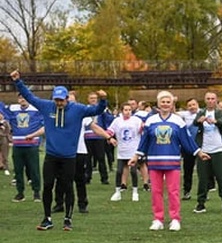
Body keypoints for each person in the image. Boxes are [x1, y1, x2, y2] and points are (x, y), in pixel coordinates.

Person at [10, 71, 108, 231]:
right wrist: (18, 81)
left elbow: (97, 110)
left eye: (61, 100)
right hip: (51, 155)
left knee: (68, 186)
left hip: (69, 157)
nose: (59, 103)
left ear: (67, 99)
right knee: (48, 186)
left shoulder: (78, 109)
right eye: (56, 100)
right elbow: (30, 97)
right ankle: (47, 218)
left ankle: (67, 219)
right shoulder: (47, 106)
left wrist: (103, 99)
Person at [130, 91, 208, 231]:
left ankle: (175, 219)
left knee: (173, 191)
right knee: (156, 191)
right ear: (158, 104)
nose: (165, 104)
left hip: (172, 162)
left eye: (168, 102)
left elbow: (187, 140)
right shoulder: (151, 120)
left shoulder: (178, 121)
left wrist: (199, 152)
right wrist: (136, 156)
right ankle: (158, 219)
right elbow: (144, 141)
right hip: (154, 162)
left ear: (172, 104)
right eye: (162, 102)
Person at [0, 93, 44, 202]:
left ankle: (36, 192)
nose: (22, 99)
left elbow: (45, 120)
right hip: (18, 145)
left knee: (34, 170)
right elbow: (2, 109)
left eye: (24, 97)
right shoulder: (12, 109)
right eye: (20, 97)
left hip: (32, 145)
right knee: (18, 171)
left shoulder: (37, 109)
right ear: (18, 99)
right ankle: (20, 193)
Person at [193, 91, 222, 214]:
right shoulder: (201, 112)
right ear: (205, 100)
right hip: (203, 149)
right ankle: (201, 203)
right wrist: (199, 120)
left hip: (218, 149)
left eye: (212, 98)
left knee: (221, 177)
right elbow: (194, 122)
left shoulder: (220, 113)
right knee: (202, 178)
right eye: (208, 98)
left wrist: (215, 122)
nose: (210, 101)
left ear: (216, 100)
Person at [108, 103, 144, 202]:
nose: (128, 112)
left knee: (133, 171)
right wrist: (110, 138)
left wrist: (144, 127)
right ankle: (117, 192)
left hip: (133, 151)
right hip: (122, 151)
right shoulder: (117, 121)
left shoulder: (136, 120)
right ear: (122, 111)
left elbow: (142, 130)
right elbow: (110, 131)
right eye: (125, 110)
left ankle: (135, 192)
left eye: (129, 110)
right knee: (119, 171)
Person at [177, 97, 200, 200]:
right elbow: (173, 114)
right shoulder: (184, 115)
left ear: (197, 105)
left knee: (203, 171)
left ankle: (204, 191)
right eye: (189, 105)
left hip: (201, 145)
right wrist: (173, 102)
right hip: (188, 146)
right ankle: (187, 191)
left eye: (193, 104)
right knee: (188, 170)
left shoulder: (202, 113)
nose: (192, 107)